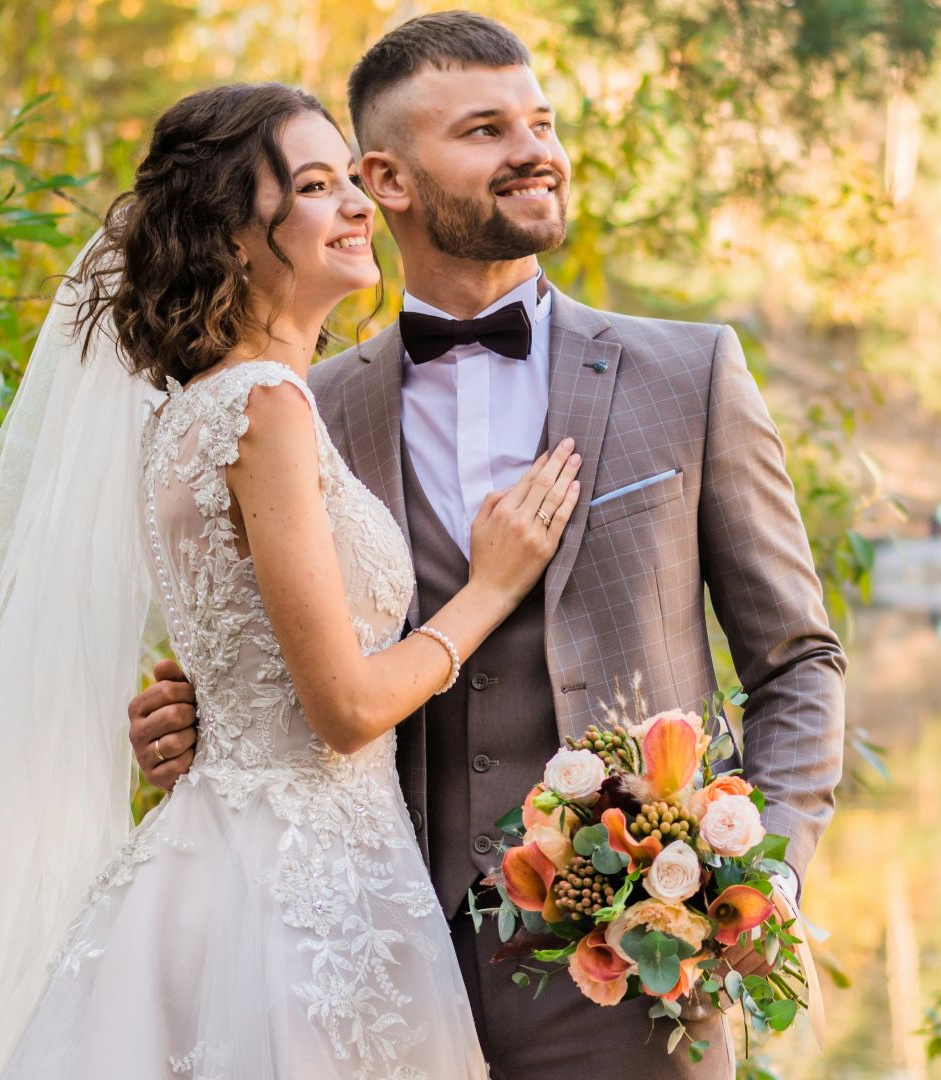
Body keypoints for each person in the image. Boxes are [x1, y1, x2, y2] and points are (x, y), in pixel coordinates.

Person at [130, 13, 847, 1078]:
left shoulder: (687, 376)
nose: (535, 152)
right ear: (388, 178)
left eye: (541, 122)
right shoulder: (293, 407)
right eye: (485, 129)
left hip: (634, 978)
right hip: (367, 959)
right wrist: (198, 720)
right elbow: (282, 659)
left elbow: (797, 661)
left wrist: (759, 885)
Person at [0, 81, 582, 1079]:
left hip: (229, 860)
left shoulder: (190, 412)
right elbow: (342, 707)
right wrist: (491, 589)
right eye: (319, 186)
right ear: (239, 237)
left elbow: (246, 660)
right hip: (299, 893)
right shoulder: (267, 407)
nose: (358, 206)